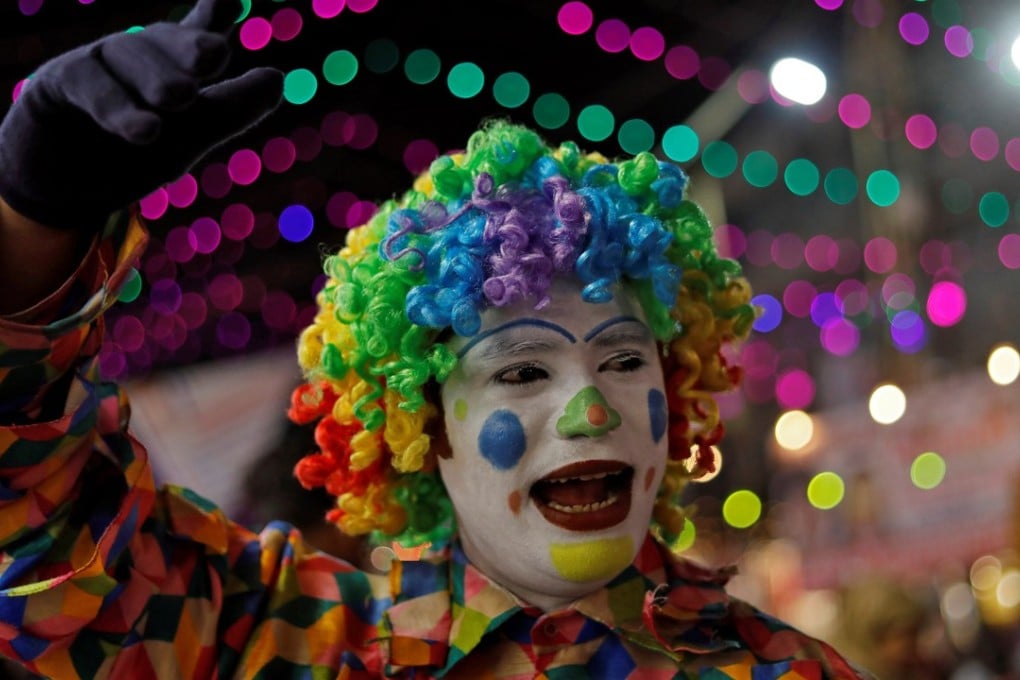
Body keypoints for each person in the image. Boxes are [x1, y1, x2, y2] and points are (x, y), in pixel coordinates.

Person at [0, 0, 873, 677]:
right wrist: (32, 227)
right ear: (427, 427)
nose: (589, 407)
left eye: (620, 357)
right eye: (523, 369)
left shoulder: (788, 671)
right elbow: (56, 570)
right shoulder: (298, 648)